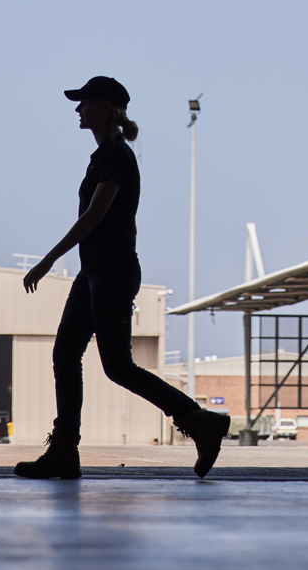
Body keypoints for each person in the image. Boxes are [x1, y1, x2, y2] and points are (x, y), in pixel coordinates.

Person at [16, 76, 230, 479]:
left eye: (84, 103)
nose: (78, 110)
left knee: (118, 367)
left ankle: (200, 421)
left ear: (105, 109)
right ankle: (64, 449)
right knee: (65, 354)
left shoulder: (118, 156)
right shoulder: (101, 157)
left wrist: (47, 261)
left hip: (112, 273)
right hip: (92, 272)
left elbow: (94, 216)